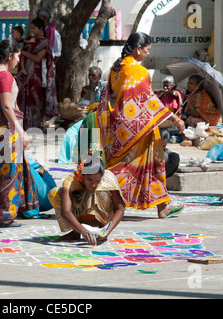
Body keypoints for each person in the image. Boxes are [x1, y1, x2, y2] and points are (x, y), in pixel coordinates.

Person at [96, 32, 186, 218]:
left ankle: (163, 205)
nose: (147, 54)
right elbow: (148, 100)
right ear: (138, 49)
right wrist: (175, 118)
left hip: (119, 126)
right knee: (139, 165)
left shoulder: (116, 67)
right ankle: (97, 192)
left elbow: (113, 95)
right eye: (147, 50)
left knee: (144, 165)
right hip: (138, 127)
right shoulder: (138, 70)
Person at [0, 39, 39, 227]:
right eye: (18, 56)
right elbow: (5, 105)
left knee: (3, 169)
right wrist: (21, 132)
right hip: (5, 132)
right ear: (10, 56)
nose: (19, 60)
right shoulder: (5, 76)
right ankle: (4, 214)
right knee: (8, 171)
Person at [48, 158, 125, 246]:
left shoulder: (108, 177)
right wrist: (83, 231)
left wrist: (107, 231)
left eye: (97, 180)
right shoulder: (70, 181)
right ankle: (76, 231)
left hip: (102, 219)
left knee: (100, 189)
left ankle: (101, 229)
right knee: (55, 193)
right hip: (80, 212)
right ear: (82, 175)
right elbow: (65, 212)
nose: (93, 184)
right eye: (89, 179)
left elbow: (120, 209)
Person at [17, 18, 58, 130]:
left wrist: (24, 53)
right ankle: (23, 125)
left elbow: (37, 58)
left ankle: (35, 126)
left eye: (34, 28)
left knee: (35, 99)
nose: (32, 30)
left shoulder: (44, 43)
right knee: (23, 98)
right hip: (25, 74)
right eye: (31, 28)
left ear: (40, 29)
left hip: (36, 76)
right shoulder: (29, 39)